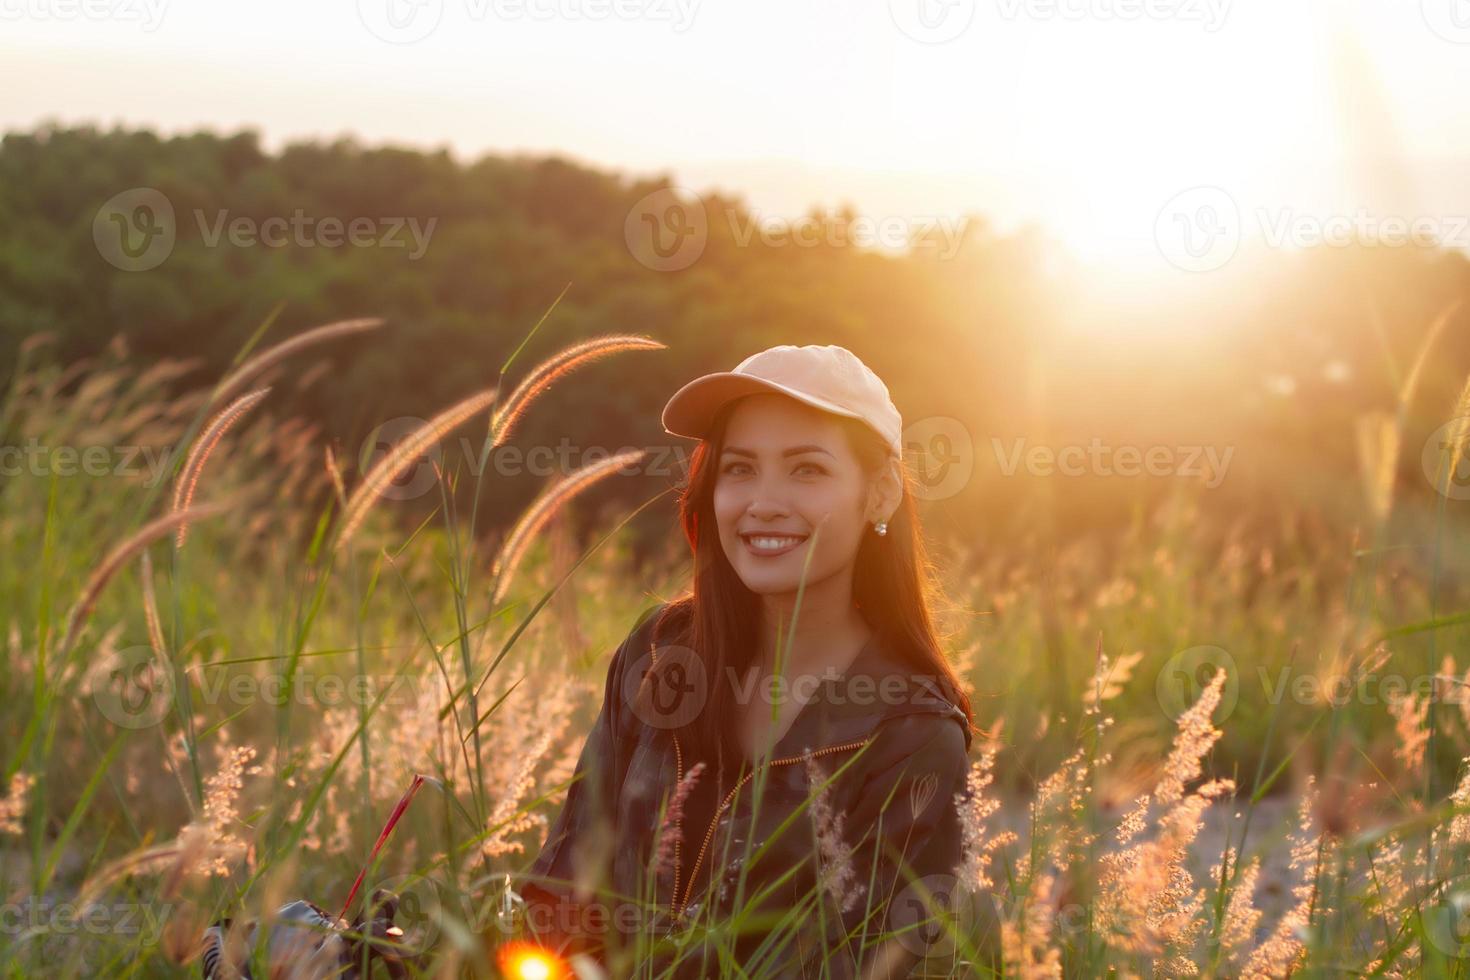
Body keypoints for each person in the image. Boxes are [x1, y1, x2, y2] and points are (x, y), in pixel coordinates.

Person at [519, 344, 975, 978]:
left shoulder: (912, 734)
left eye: (807, 470)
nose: (763, 502)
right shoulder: (660, 654)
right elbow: (564, 884)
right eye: (739, 469)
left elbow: (879, 962)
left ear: (880, 494)